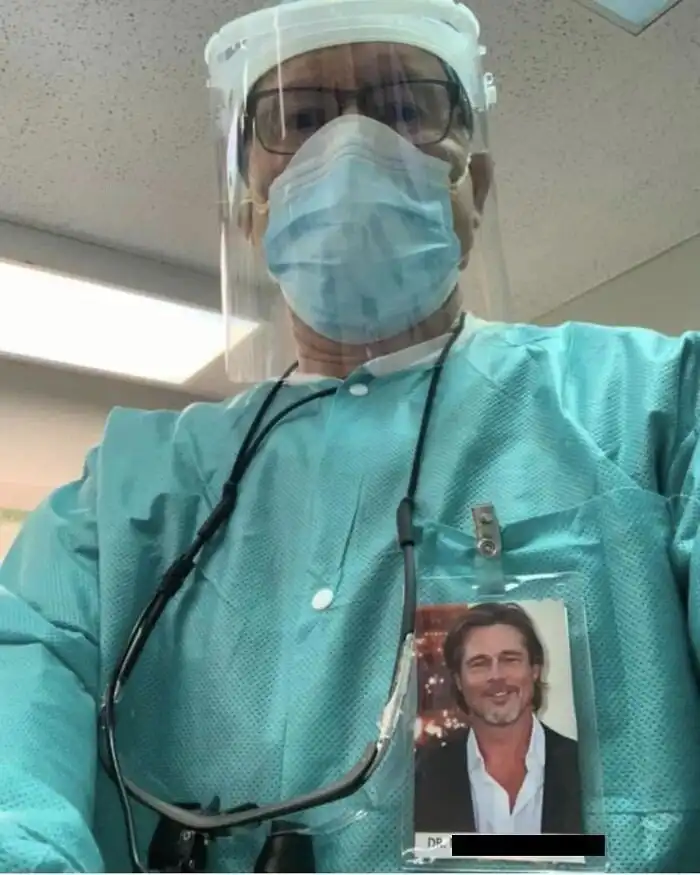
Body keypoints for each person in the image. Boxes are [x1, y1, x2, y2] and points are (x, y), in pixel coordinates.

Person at [0, 0, 699, 870]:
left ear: (474, 185)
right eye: (299, 119)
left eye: (406, 107)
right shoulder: (120, 500)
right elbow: (18, 692)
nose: (352, 145)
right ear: (249, 204)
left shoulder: (650, 406)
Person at [414, 602, 582, 836]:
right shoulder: (422, 776)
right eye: (479, 664)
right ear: (459, 681)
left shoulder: (585, 767)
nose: (496, 676)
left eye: (510, 659)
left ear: (534, 670)